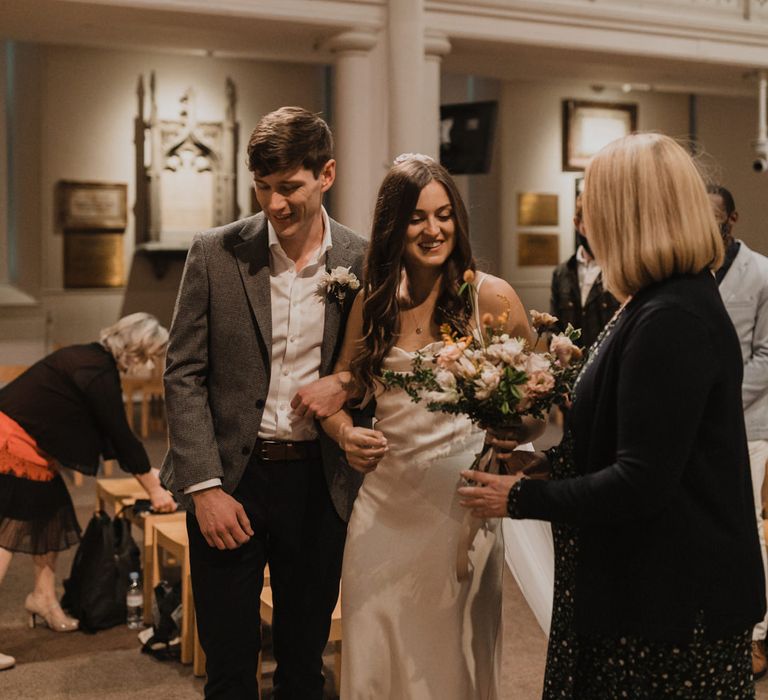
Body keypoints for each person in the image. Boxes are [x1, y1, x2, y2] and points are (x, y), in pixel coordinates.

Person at [459, 133, 766, 699]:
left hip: (671, 604)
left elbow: (643, 481)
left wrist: (517, 499)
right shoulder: (656, 302)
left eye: (593, 206)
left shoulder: (671, 317)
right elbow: (632, 436)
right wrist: (549, 463)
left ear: (627, 214)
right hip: (649, 587)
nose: (586, 222)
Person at [161, 106, 367, 699]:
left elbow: (378, 363)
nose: (275, 204)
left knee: (303, 663)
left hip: (317, 486)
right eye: (263, 187)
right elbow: (183, 372)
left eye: (290, 187)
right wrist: (204, 488)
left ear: (326, 174)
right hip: (232, 482)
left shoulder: (362, 257)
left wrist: (348, 384)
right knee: (229, 666)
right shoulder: (215, 252)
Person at [319, 154, 538, 699]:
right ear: (394, 224)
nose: (433, 229)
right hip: (383, 509)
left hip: (462, 509)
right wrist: (347, 435)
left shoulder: (490, 296)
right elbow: (336, 392)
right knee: (374, 646)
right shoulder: (374, 300)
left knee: (450, 664)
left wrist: (509, 428)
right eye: (417, 217)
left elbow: (539, 393)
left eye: (444, 216)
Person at [0, 312, 176, 669]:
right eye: (152, 358)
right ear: (138, 352)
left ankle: (43, 598)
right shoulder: (97, 372)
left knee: (51, 514)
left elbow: (108, 433)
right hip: (10, 446)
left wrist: (148, 475)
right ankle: (42, 598)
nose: (152, 366)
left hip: (25, 445)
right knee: (4, 540)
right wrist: (154, 490)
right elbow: (119, 433)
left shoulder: (88, 358)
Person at [708, 184, 768, 679]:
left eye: (717, 217)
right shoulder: (686, 271)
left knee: (749, 526)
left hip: (748, 422)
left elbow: (767, 356)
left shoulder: (763, 273)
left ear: (734, 218)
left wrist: (718, 401)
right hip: (696, 423)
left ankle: (755, 636)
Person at [550, 194, 619, 349]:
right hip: (571, 368)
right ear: (577, 223)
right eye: (591, 225)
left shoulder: (618, 270)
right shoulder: (562, 273)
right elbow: (553, 327)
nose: (597, 233)